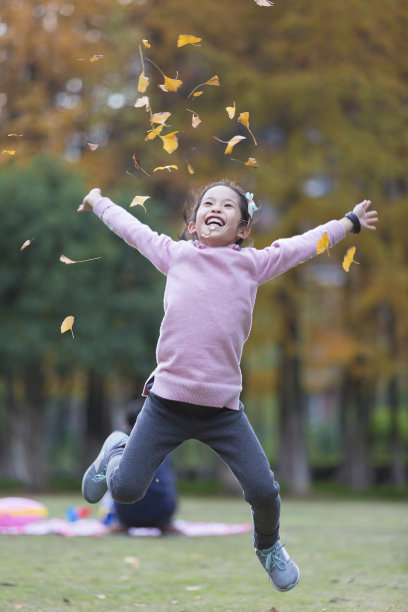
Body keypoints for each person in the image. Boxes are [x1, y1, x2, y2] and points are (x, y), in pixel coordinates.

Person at [79, 180, 378, 592]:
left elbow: (307, 244)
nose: (214, 208)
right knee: (126, 490)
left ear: (242, 228)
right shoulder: (175, 255)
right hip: (166, 405)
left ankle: (268, 547)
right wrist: (98, 202)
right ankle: (116, 450)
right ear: (193, 220)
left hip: (223, 412)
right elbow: (132, 228)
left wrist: (349, 223)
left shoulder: (252, 264)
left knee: (264, 490)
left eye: (227, 206)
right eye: (207, 204)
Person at [99, 401, 179, 534]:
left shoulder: (120, 441)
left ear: (127, 424)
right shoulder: (164, 441)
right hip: (162, 512)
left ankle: (122, 524)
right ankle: (165, 524)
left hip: (127, 513)